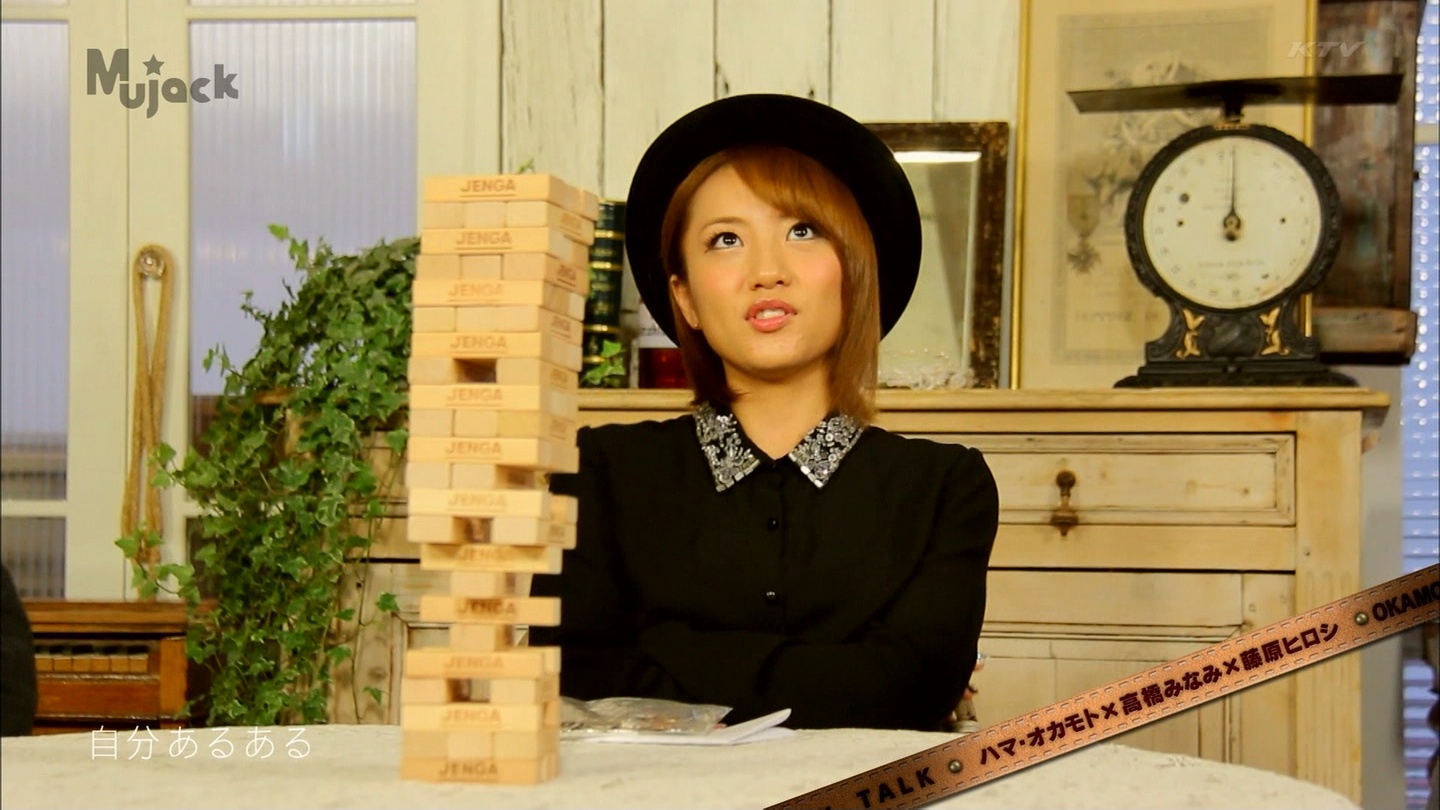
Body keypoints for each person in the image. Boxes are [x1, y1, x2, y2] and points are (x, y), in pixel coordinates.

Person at [529, 94, 999, 732]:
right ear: (684, 297)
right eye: (725, 240)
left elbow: (913, 692)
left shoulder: (945, 486)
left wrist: (669, 645)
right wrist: (839, 672)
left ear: (855, 272)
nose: (767, 272)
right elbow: (572, 674)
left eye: (802, 231)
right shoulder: (600, 470)